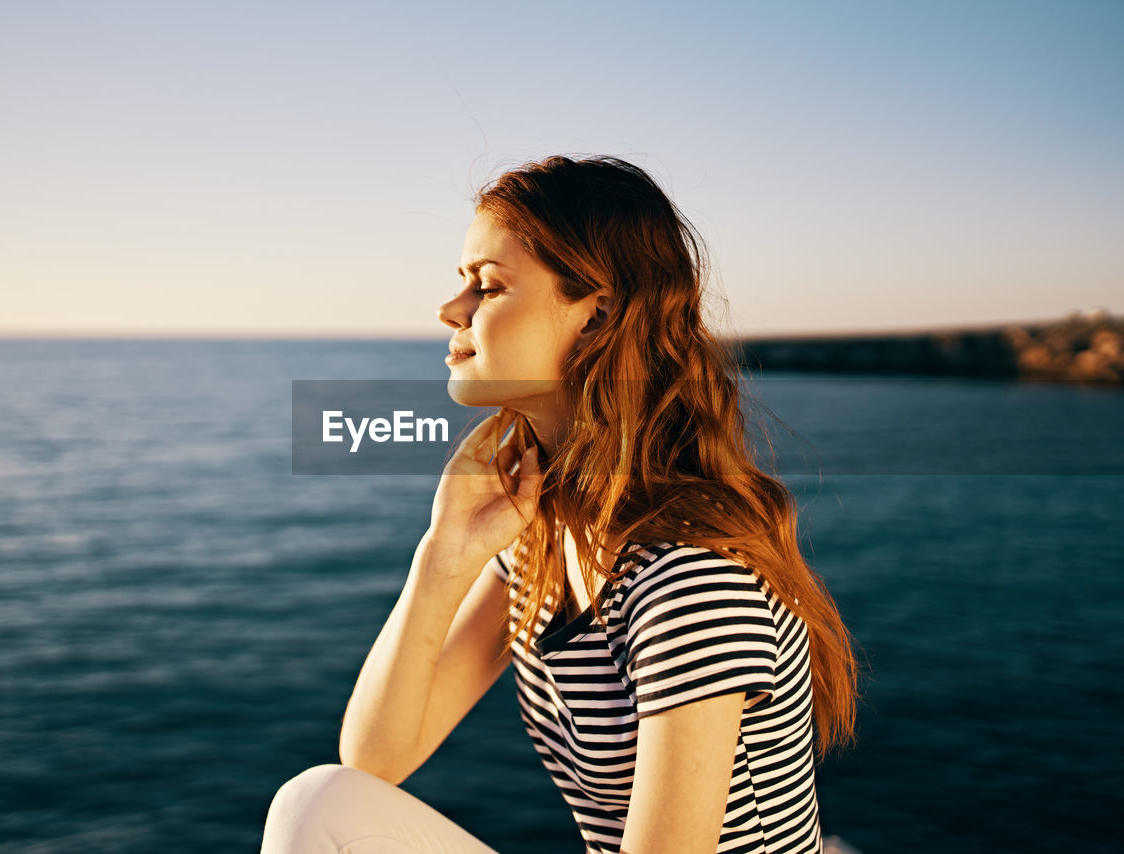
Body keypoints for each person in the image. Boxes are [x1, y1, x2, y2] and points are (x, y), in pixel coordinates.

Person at [262, 155, 862, 854]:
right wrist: (444, 555)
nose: (450, 310)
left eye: (488, 287)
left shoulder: (688, 577)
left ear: (597, 315)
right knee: (321, 805)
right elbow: (373, 762)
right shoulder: (540, 540)